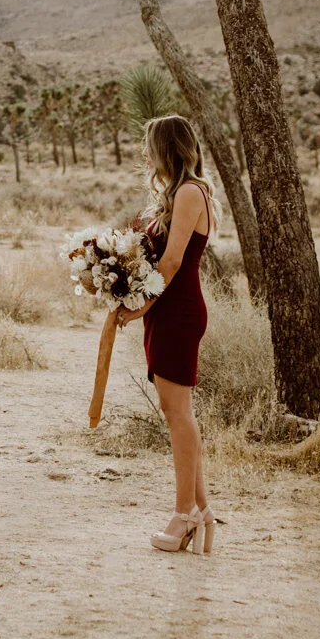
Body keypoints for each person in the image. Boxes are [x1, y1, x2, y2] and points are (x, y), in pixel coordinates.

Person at [116, 114, 218, 554]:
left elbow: (173, 261)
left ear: (166, 148)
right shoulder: (177, 194)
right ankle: (202, 512)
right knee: (176, 413)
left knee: (179, 416)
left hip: (177, 310)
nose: (144, 153)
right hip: (167, 310)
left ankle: (183, 516)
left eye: (149, 145)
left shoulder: (191, 192)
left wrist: (141, 306)